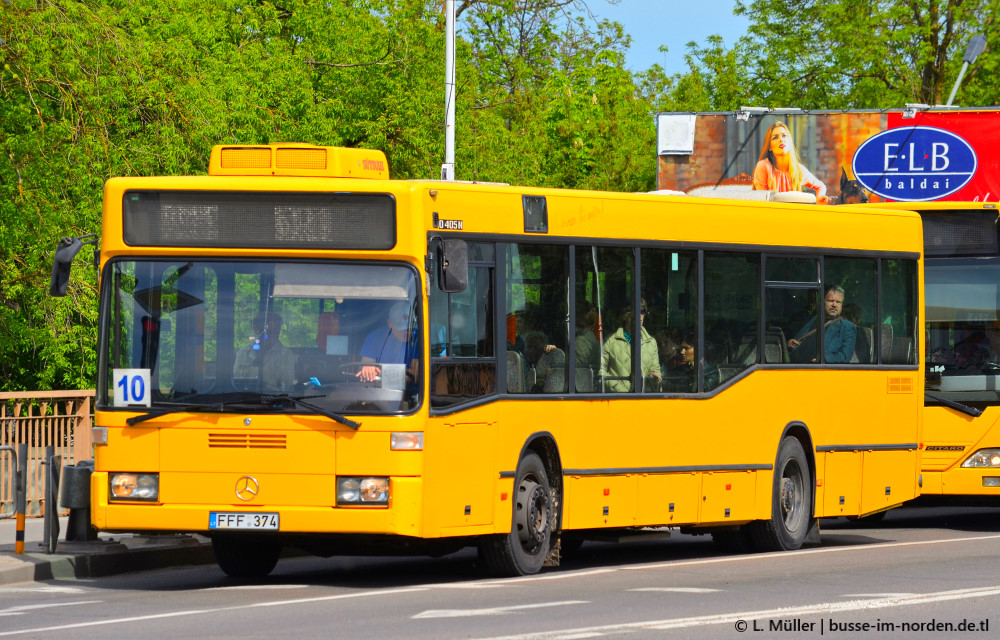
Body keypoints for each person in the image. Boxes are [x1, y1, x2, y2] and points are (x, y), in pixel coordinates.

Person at [752, 121, 829, 204]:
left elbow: (821, 186)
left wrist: (820, 197)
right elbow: (762, 202)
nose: (781, 139)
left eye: (784, 136)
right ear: (770, 147)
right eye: (775, 137)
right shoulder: (763, 166)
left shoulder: (798, 169)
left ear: (790, 141)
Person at [600, 300, 661, 392]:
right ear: (624, 316)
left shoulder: (651, 343)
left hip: (644, 399)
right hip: (618, 399)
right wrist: (618, 389)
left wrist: (653, 378)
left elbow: (655, 370)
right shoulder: (610, 341)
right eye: (635, 311)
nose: (640, 315)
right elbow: (601, 370)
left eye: (643, 311)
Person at [788, 285, 856, 364]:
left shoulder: (847, 326)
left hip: (817, 369)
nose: (834, 305)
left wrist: (822, 358)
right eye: (831, 301)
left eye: (838, 302)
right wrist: (790, 343)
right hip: (793, 364)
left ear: (841, 305)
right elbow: (799, 339)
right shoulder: (815, 318)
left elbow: (845, 356)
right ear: (824, 302)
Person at [233, 311, 296, 393]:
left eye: (274, 331)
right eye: (266, 332)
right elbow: (236, 382)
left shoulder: (286, 355)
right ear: (256, 330)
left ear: (279, 330)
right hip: (246, 399)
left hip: (274, 401)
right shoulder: (244, 352)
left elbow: (286, 386)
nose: (269, 336)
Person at [357, 301, 418, 383]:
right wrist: (367, 369)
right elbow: (365, 366)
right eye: (401, 328)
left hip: (410, 393)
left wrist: (381, 373)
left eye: (409, 328)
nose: (406, 332)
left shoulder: (418, 339)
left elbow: (415, 374)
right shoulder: (375, 337)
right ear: (390, 323)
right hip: (377, 390)